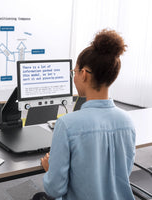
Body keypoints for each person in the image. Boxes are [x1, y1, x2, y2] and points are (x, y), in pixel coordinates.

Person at [33, 29, 135, 200]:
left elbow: (55, 189)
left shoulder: (67, 124)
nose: (73, 77)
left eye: (74, 72)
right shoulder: (127, 121)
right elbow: (122, 174)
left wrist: (50, 170)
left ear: (84, 74)